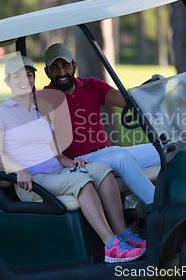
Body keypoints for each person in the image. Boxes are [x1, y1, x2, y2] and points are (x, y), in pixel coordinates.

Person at [0, 55, 145, 263]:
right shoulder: (0, 111)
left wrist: (70, 162)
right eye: (17, 76)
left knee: (102, 170)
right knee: (82, 181)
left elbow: (55, 152)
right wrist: (18, 170)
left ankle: (122, 233)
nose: (24, 80)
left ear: (34, 79)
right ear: (7, 81)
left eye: (28, 75)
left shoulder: (40, 110)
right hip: (33, 181)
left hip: (57, 172)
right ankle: (111, 246)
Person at [39, 43, 160, 205]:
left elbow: (126, 102)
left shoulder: (92, 85)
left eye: (65, 66)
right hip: (80, 161)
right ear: (47, 71)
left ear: (74, 65)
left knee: (163, 148)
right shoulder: (43, 99)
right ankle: (159, 207)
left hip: (107, 151)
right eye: (54, 68)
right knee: (121, 158)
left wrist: (152, 91)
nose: (61, 72)